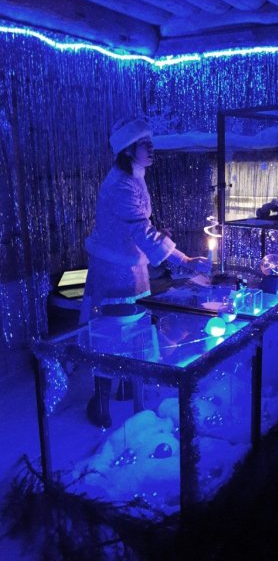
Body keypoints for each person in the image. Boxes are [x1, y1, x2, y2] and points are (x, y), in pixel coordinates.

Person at [81, 118, 210, 427]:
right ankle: (103, 405)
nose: (152, 148)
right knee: (111, 334)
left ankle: (129, 394)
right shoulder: (121, 185)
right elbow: (141, 230)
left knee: (135, 330)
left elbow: (138, 228)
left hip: (129, 268)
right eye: (145, 144)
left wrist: (158, 240)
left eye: (151, 143)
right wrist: (183, 259)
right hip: (114, 273)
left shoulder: (132, 178)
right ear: (128, 149)